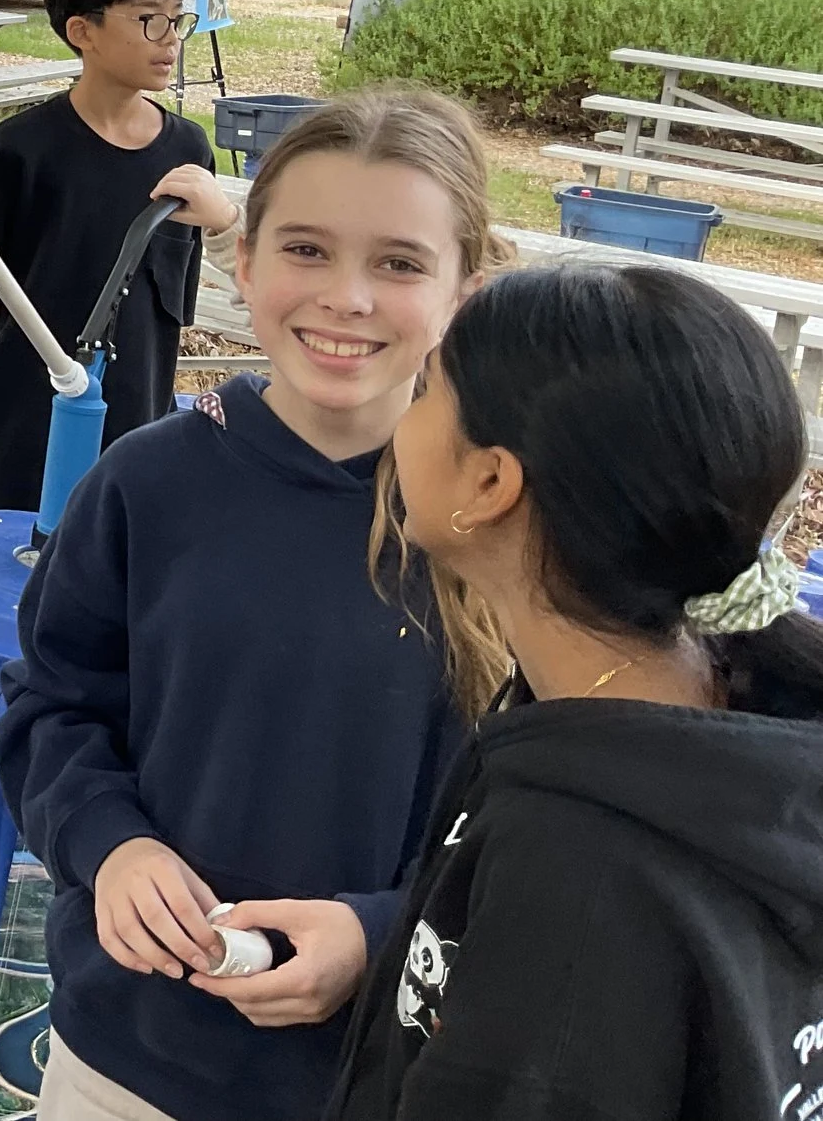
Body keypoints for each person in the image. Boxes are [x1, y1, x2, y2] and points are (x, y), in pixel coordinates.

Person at [0, 91, 510, 1121]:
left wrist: (380, 933)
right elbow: (49, 708)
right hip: (128, 1061)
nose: (348, 298)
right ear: (242, 262)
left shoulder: (504, 524)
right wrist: (112, 845)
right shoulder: (146, 486)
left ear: (468, 287)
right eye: (307, 250)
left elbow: (529, 826)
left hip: (388, 1076)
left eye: (400, 264)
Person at [328, 263, 823, 1121]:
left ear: (490, 484)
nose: (401, 418)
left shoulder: (580, 873)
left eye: (427, 390)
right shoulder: (730, 711)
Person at [0, 0, 234, 513]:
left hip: (138, 416)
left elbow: (173, 300)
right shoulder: (19, 151)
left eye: (177, 19)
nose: (169, 39)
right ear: (81, 32)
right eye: (148, 19)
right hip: (24, 420)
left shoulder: (189, 153)